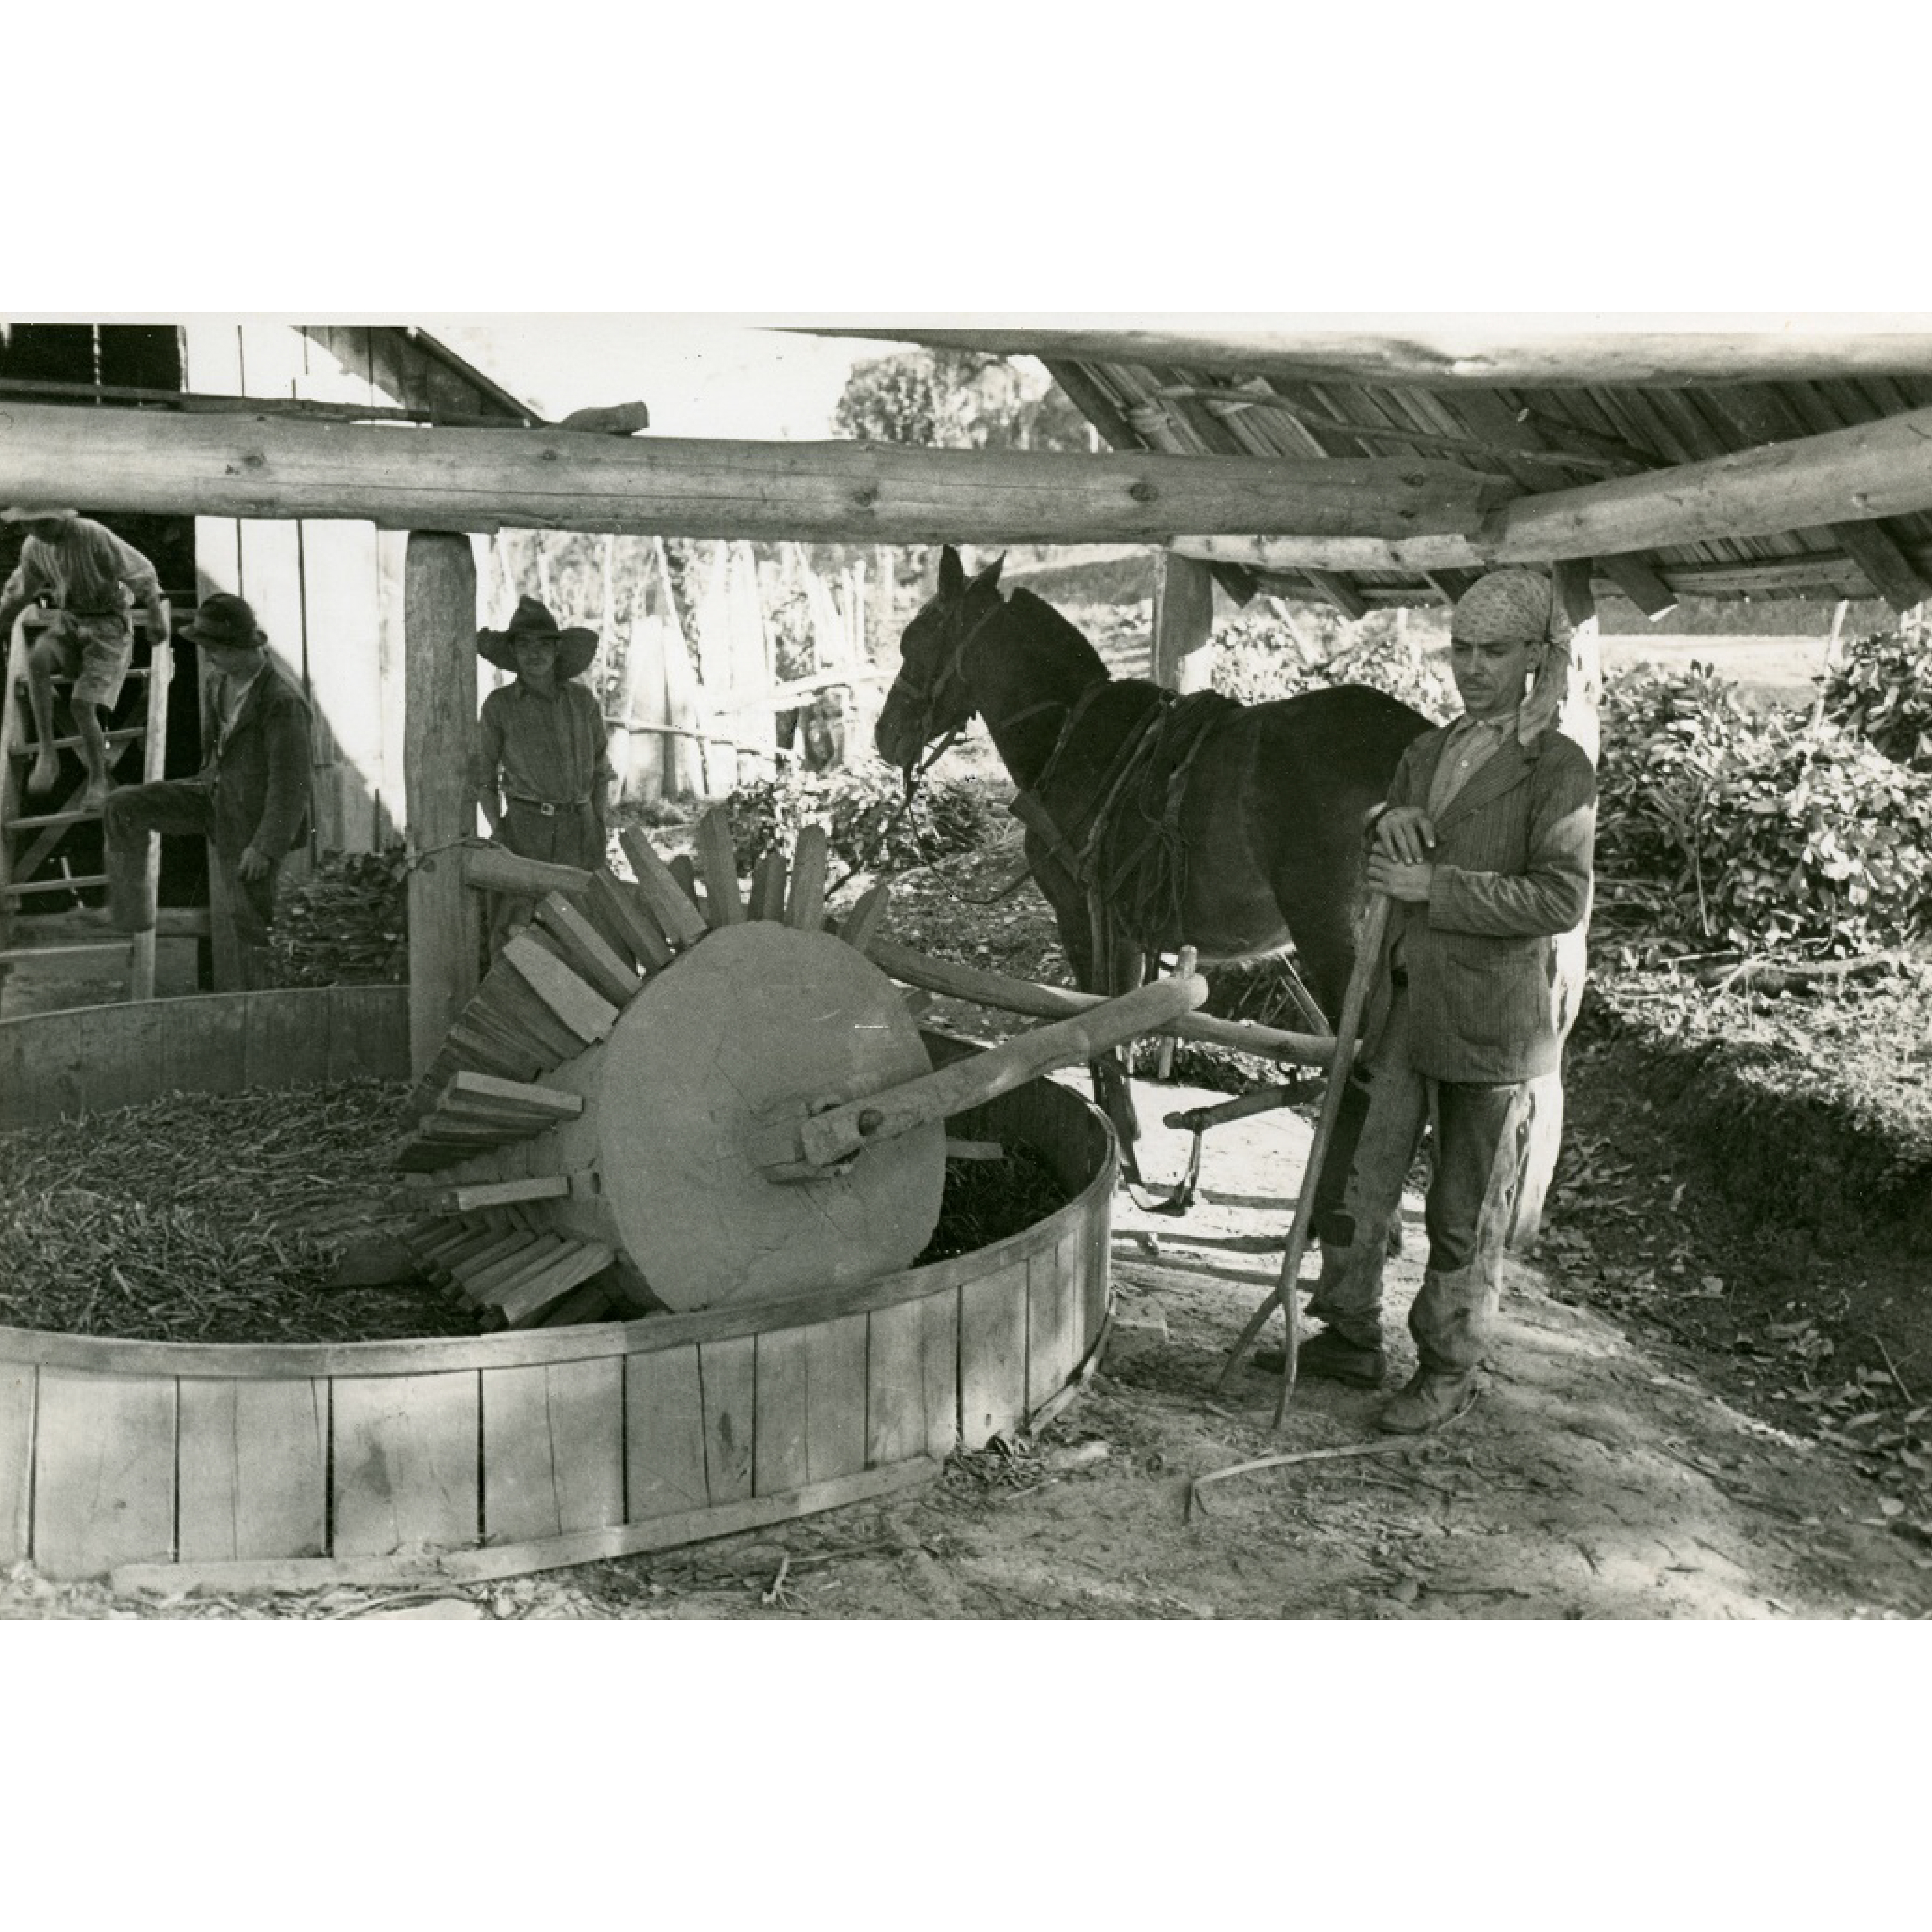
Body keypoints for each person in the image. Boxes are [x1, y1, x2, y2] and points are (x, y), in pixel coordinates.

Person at [1283, 567, 1598, 1434]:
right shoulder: (1432, 749)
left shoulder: (1558, 771)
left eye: (1494, 651)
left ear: (1536, 655)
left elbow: (1558, 901)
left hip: (1489, 1025)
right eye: (1461, 649)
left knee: (1460, 1207)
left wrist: (1435, 887)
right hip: (1404, 1011)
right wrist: (1382, 817)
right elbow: (1401, 824)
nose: (1472, 667)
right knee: (1366, 1178)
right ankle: (1349, 1333)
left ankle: (1448, 1365)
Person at [101, 592, 312, 989]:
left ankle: (277, 995)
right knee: (123, 805)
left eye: (214, 648)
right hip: (212, 793)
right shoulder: (218, 684)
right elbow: (215, 751)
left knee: (252, 915)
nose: (208, 656)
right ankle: (133, 913)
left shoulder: (282, 702)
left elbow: (292, 785)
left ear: (241, 648)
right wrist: (200, 788)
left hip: (252, 819)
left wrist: (264, 847)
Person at [0, 506, 172, 808]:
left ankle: (98, 780)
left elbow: (139, 569)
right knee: (39, 657)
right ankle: (47, 753)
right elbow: (21, 588)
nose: (38, 530)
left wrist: (156, 612)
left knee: (81, 705)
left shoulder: (91, 534)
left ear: (60, 518)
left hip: (109, 625)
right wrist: (5, 615)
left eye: (44, 523)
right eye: (31, 525)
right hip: (71, 620)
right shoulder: (35, 547)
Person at [473, 596, 614, 948]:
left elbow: (601, 768)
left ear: (557, 651)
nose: (534, 654)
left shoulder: (582, 702)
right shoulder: (500, 706)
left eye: (543, 645)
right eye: (524, 645)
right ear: (514, 652)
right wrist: (499, 828)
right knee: (516, 928)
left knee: (587, 928)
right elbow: (483, 775)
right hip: (526, 829)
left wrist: (599, 823)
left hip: (580, 828)